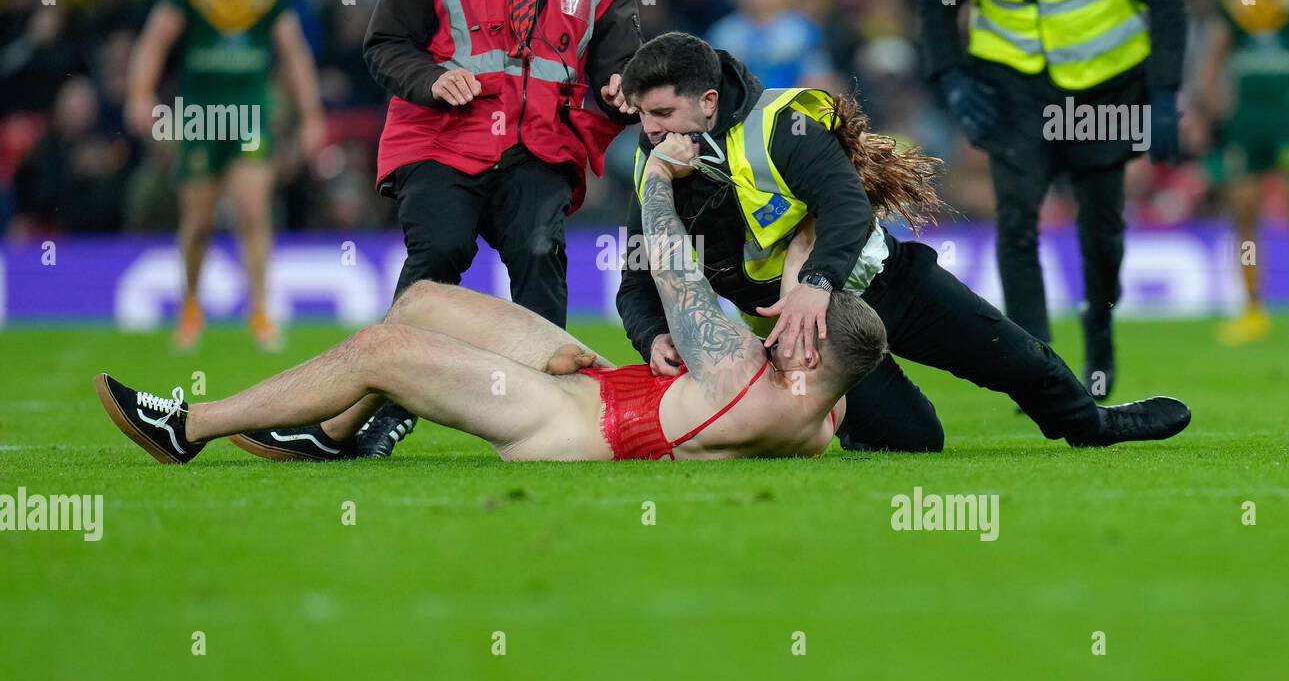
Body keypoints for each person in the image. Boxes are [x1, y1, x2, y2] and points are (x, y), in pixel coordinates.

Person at [92, 149, 890, 464]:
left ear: (810, 354)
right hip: (612, 388)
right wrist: (808, 270)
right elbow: (812, 302)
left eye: (791, 332)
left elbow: (676, 268)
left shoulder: (748, 382)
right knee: (425, 303)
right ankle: (331, 436)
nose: (774, 327)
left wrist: (656, 179)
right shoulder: (821, 398)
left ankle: (188, 428)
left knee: (380, 350)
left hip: (573, 427)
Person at [615, 31, 1192, 452]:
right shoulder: (653, 169)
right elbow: (637, 277)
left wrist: (816, 282)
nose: (651, 132)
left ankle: (1094, 427)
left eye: (664, 113)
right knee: (916, 442)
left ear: (708, 102)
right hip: (801, 334)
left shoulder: (781, 123)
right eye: (643, 115)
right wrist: (651, 335)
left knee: (1021, 362)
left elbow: (845, 203)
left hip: (884, 282)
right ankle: (847, 423)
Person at [353, 0, 643, 454]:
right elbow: (383, 45)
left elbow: (623, 66)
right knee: (440, 255)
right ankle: (383, 407)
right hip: (441, 141)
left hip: (538, 147)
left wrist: (623, 89)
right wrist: (431, 80)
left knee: (540, 258)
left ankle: (557, 413)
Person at [919, 0, 1188, 399]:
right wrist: (951, 76)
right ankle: (1035, 368)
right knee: (1017, 222)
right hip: (1012, 88)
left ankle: (1100, 334)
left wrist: (1164, 95)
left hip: (1104, 85)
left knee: (1103, 231)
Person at [126, 0, 325, 352]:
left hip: (251, 112)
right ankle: (191, 305)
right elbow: (154, 41)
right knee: (197, 220)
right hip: (200, 115)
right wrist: (140, 94)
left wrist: (312, 116)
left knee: (253, 210)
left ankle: (260, 311)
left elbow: (295, 56)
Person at [1189, 0, 1289, 345]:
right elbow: (1215, 52)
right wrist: (1202, 106)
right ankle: (1253, 310)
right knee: (1244, 211)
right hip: (1246, 118)